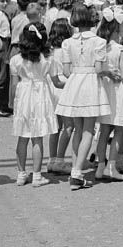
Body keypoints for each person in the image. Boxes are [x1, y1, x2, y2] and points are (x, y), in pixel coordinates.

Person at [55, 3, 117, 190]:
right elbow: (99, 69)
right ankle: (76, 173)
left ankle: (77, 170)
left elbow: (66, 71)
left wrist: (78, 73)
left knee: (77, 129)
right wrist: (109, 73)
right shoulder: (98, 41)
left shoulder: (67, 42)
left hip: (74, 83)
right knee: (89, 130)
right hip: (90, 83)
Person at [10, 23, 58, 187]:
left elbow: (14, 84)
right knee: (37, 138)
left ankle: (21, 174)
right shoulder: (48, 59)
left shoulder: (16, 60)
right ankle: (37, 175)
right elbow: (56, 81)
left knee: (22, 137)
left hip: (24, 95)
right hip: (41, 95)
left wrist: (12, 103)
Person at [95, 7, 123, 182]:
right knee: (118, 129)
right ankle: (111, 166)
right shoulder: (120, 49)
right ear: (118, 28)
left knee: (104, 130)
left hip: (104, 89)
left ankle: (100, 166)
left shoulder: (100, 46)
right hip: (117, 91)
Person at [46, 19, 74, 175]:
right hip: (63, 87)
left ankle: (52, 159)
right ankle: (60, 160)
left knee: (55, 127)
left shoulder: (50, 50)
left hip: (52, 89)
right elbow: (67, 71)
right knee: (69, 126)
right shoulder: (64, 51)